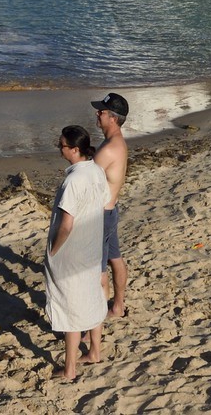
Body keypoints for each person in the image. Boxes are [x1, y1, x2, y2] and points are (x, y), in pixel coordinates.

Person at [45, 125, 109, 382]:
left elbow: (66, 224)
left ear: (74, 149)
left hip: (73, 251)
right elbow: (104, 202)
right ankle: (95, 351)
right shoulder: (96, 171)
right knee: (93, 298)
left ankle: (70, 369)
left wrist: (53, 250)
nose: (59, 149)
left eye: (61, 145)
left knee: (70, 310)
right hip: (91, 246)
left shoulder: (73, 180)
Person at [91, 93, 131, 319]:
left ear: (113, 118)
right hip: (110, 210)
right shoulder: (115, 142)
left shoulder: (108, 149)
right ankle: (117, 306)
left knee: (99, 270)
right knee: (115, 258)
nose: (98, 113)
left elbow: (85, 181)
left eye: (102, 111)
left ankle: (94, 323)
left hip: (101, 215)